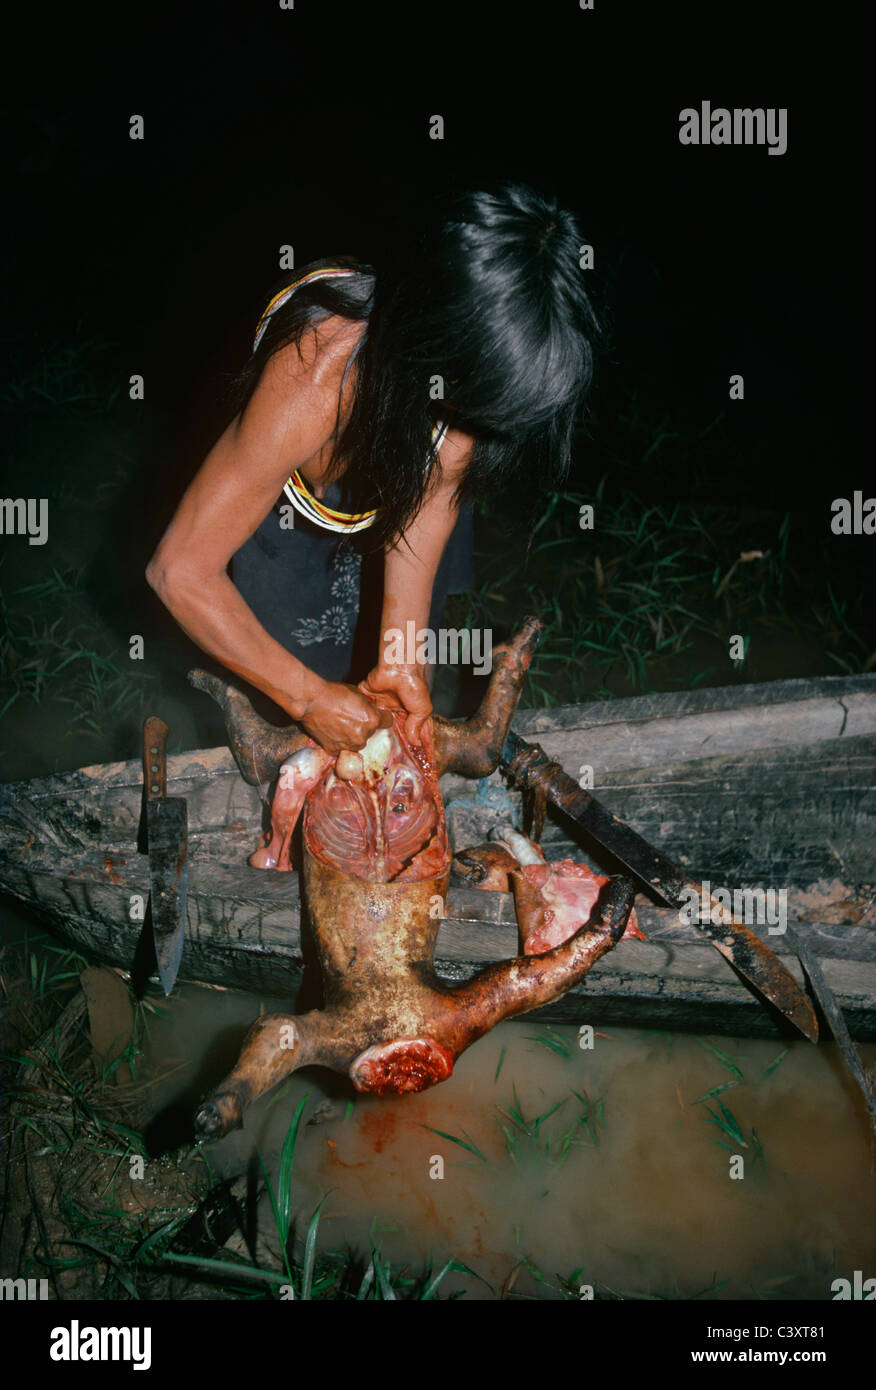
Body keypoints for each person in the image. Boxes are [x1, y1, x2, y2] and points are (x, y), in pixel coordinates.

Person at [146, 181, 601, 756]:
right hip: (285, 502)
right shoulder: (312, 379)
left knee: (402, 666)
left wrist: (402, 657)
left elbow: (433, 499)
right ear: (431, 347)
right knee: (291, 665)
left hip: (389, 461)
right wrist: (306, 697)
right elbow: (180, 571)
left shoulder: (463, 378)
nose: (477, 432)